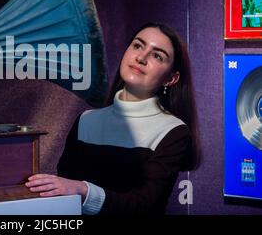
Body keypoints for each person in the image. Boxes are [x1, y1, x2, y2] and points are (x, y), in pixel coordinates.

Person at [25, 23, 201, 215]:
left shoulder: (174, 131)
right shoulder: (85, 120)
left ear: (171, 79)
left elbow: (146, 206)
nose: (141, 58)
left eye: (157, 55)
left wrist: (84, 190)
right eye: (137, 46)